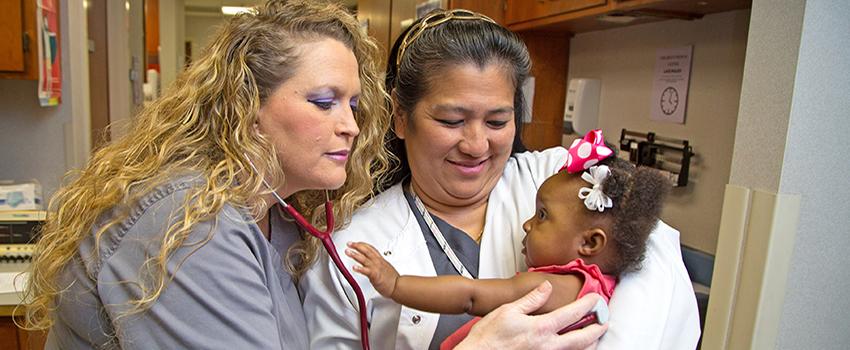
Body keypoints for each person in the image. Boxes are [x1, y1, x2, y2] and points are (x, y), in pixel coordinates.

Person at [23, 2, 607, 349]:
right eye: (325, 101)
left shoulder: (279, 220)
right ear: (245, 106)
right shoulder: (186, 224)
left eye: (354, 105)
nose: (352, 126)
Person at [301, 8, 701, 350]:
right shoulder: (352, 248)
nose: (476, 145)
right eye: (451, 121)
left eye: (497, 120)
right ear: (401, 118)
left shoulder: (567, 181)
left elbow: (657, 276)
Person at [345, 132, 671, 348]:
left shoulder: (555, 287)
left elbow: (470, 296)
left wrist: (396, 284)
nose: (527, 224)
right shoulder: (599, 288)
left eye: (542, 215)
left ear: (590, 244)